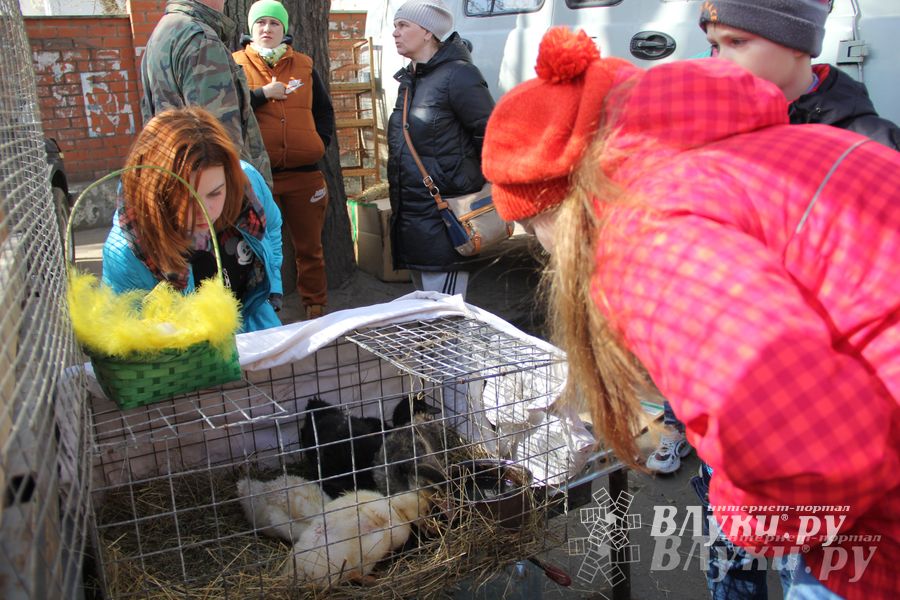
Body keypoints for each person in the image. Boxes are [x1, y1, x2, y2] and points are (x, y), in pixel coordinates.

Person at [482, 27, 899, 600]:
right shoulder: (747, 155)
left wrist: (743, 518)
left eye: (533, 229)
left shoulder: (650, 235)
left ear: (561, 205)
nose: (540, 247)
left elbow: (810, 457)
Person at [102, 107, 283, 333]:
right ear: (157, 193)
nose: (204, 210)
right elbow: (126, 338)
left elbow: (273, 226)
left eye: (215, 193)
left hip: (257, 335)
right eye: (187, 198)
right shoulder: (126, 253)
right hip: (187, 362)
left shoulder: (247, 186)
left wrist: (271, 291)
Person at [233, 0, 335, 320]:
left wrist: (318, 143)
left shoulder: (304, 64)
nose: (267, 29)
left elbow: (323, 111)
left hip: (304, 175)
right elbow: (227, 104)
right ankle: (259, 313)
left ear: (284, 29)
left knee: (310, 249)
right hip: (258, 177)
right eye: (260, 23)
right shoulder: (234, 64)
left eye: (274, 23)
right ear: (251, 29)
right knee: (254, 248)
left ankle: (315, 309)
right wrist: (263, 94)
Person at [387, 0, 495, 298]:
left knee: (445, 320)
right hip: (414, 218)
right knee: (427, 317)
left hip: (445, 218)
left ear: (427, 32)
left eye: (403, 25)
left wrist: (471, 183)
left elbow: (490, 133)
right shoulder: (409, 80)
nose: (395, 32)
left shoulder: (459, 75)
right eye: (395, 25)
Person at [701, 0, 900, 150]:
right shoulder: (707, 130)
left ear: (796, 43)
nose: (720, 61)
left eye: (737, 41)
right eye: (715, 46)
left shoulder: (876, 147)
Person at [140, 0, 273, 187]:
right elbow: (219, 144)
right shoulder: (200, 40)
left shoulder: (164, 31)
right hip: (213, 191)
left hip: (180, 179)